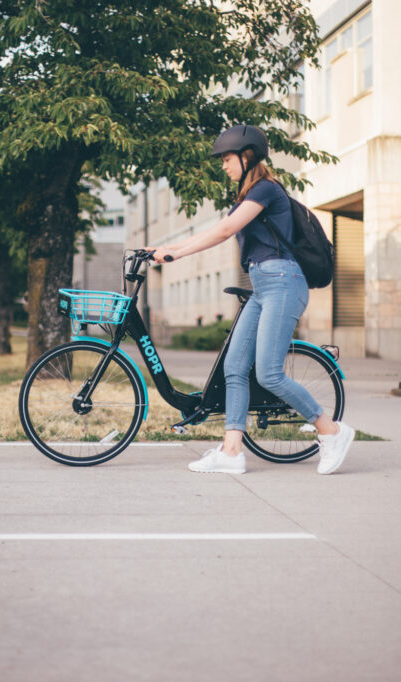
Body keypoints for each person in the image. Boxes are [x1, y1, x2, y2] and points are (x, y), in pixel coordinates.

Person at [151, 124, 355, 475]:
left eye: (228, 159)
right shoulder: (249, 195)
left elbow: (225, 230)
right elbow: (220, 228)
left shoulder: (266, 190)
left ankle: (332, 432)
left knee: (270, 373)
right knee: (234, 368)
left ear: (247, 157)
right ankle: (232, 452)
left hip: (283, 283)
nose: (224, 166)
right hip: (263, 286)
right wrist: (169, 249)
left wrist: (176, 254)